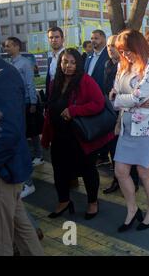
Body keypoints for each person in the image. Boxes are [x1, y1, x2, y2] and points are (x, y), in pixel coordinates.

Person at [41, 48, 114, 219]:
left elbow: (98, 104)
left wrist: (74, 110)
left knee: (88, 170)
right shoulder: (55, 83)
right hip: (60, 136)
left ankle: (93, 202)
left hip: (80, 138)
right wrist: (46, 136)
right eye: (65, 61)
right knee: (59, 171)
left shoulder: (85, 81)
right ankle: (64, 201)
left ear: (78, 64)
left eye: (73, 62)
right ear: (60, 63)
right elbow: (50, 110)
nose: (68, 66)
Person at [111, 29, 149, 232]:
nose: (125, 55)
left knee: (144, 172)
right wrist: (127, 100)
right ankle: (132, 210)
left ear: (138, 46)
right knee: (120, 171)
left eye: (127, 50)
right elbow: (114, 94)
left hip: (148, 129)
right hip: (126, 127)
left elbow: (138, 97)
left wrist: (122, 100)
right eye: (121, 51)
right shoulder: (121, 67)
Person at [0, 53, 44, 256]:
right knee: (22, 230)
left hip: (2, 170)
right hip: (6, 169)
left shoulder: (3, 76)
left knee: (0, 242)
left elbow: (8, 132)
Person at [4, 37, 43, 198]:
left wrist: (32, 101)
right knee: (27, 133)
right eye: (5, 46)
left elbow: (29, 83)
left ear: (17, 46)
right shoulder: (8, 64)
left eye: (9, 46)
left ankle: (37, 158)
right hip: (14, 104)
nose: (6, 48)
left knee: (27, 134)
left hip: (24, 102)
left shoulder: (24, 63)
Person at [102, 35, 140, 195]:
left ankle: (133, 182)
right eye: (109, 46)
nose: (110, 49)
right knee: (114, 149)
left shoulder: (131, 67)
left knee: (129, 150)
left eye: (113, 46)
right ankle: (118, 180)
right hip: (110, 112)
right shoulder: (107, 64)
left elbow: (133, 95)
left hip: (127, 114)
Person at [85, 30, 110, 167]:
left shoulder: (108, 55)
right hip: (89, 99)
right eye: (92, 38)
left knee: (104, 128)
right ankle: (98, 153)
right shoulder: (89, 56)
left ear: (104, 39)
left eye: (96, 38)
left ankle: (104, 155)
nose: (93, 41)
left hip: (103, 97)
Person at [45, 27, 65, 100]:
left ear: (62, 39)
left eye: (57, 37)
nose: (54, 40)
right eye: (51, 37)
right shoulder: (51, 58)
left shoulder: (68, 56)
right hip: (52, 99)